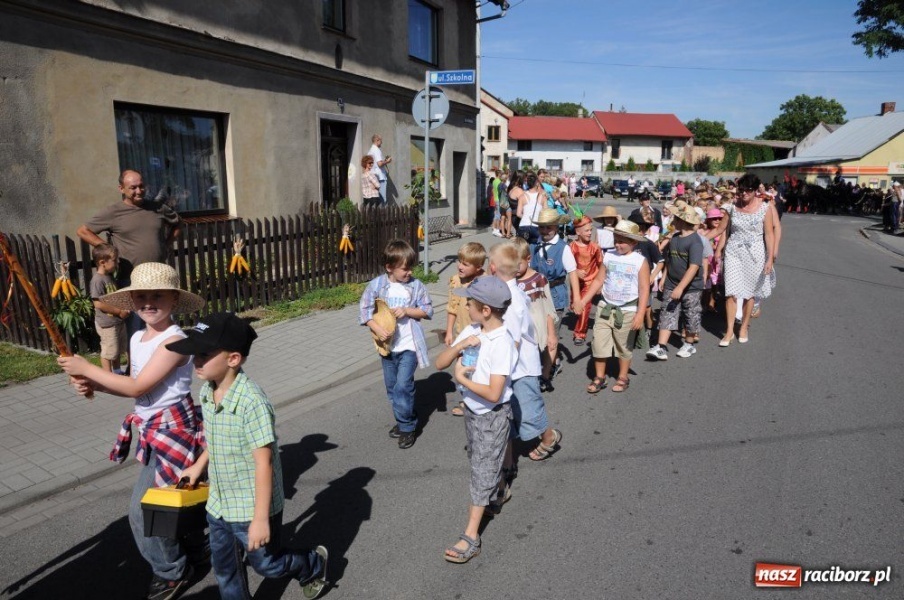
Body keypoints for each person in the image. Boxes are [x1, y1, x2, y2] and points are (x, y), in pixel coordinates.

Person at [57, 262, 206, 600]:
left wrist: (88, 368)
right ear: (132, 300)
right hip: (154, 428)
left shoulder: (176, 340)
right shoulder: (138, 337)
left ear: (173, 300)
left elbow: (138, 387)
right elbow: (129, 385)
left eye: (157, 296)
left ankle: (173, 571)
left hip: (175, 431)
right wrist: (94, 385)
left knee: (144, 511)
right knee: (167, 502)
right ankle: (195, 549)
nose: (148, 302)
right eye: (141, 296)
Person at [171, 313, 329, 600]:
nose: (196, 361)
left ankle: (312, 563)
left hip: (250, 506)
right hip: (219, 502)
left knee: (267, 564)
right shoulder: (208, 391)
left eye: (204, 354)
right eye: (195, 354)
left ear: (233, 359)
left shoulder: (252, 402)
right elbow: (217, 440)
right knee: (225, 567)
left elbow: (264, 462)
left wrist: (260, 519)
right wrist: (198, 465)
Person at [435, 276, 517, 564]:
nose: (464, 305)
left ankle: (471, 536)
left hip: (491, 415)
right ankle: (497, 489)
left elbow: (494, 393)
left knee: (481, 469)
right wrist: (460, 346)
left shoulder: (501, 343)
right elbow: (440, 362)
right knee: (480, 460)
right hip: (473, 411)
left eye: (469, 302)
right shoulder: (473, 329)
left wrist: (460, 379)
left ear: (486, 310)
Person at [489, 242, 563, 465]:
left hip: (520, 366)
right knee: (508, 410)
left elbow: (514, 341)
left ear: (493, 267)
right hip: (513, 365)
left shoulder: (510, 300)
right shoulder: (507, 291)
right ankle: (508, 461)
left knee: (528, 409)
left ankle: (549, 437)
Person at [359, 240, 434, 449]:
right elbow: (364, 312)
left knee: (403, 386)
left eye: (411, 267)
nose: (409, 272)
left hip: (409, 346)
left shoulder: (415, 286)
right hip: (386, 347)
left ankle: (408, 427)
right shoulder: (376, 285)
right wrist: (376, 327)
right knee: (392, 389)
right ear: (389, 267)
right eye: (404, 268)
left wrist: (408, 311)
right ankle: (405, 416)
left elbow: (427, 310)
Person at [574, 220, 649, 393]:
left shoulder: (639, 261)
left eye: (622, 241)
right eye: (616, 239)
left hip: (627, 310)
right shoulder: (609, 256)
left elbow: (644, 289)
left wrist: (640, 314)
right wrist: (583, 301)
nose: (618, 244)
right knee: (599, 343)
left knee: (624, 345)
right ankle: (600, 377)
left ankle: (623, 376)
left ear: (634, 242)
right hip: (605, 307)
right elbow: (599, 280)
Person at [77, 170, 181, 285]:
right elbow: (83, 231)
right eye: (133, 187)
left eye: (141, 186)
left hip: (159, 275)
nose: (139, 191)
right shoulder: (113, 212)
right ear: (121, 189)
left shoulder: (157, 208)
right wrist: (108, 249)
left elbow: (178, 222)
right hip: (129, 278)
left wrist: (168, 243)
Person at [711, 173, 775, 346]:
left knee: (749, 293)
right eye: (742, 190)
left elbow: (769, 234)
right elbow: (720, 229)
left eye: (748, 190)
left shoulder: (765, 207)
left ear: (755, 191)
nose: (744, 193)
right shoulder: (732, 207)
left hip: (755, 253)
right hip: (733, 252)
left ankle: (744, 327)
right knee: (731, 292)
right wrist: (699, 236)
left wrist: (770, 259)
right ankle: (730, 330)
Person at [646, 206, 704, 360]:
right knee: (667, 312)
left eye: (676, 218)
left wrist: (680, 287)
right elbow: (670, 260)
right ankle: (661, 346)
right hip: (672, 283)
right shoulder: (675, 238)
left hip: (691, 288)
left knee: (691, 315)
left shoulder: (695, 242)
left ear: (683, 221)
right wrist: (664, 277)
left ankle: (689, 344)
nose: (672, 220)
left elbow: (694, 267)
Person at [445, 242, 487, 417]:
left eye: (465, 264)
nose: (460, 266)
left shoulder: (485, 281)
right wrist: (448, 331)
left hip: (480, 335)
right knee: (461, 367)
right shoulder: (456, 280)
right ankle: (466, 399)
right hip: (461, 334)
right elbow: (452, 307)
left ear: (478, 267)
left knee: (478, 368)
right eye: (459, 261)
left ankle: (479, 399)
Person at [512, 237, 558, 390]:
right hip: (519, 328)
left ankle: (545, 375)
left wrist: (551, 334)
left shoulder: (539, 279)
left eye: (519, 263)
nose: (515, 268)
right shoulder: (509, 281)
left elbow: (549, 309)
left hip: (538, 325)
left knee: (546, 349)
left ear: (528, 259)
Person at [89, 243, 130, 373]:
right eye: (115, 260)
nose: (118, 262)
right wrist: (119, 311)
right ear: (102, 262)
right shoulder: (97, 280)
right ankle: (107, 375)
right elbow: (98, 304)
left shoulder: (109, 277)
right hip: (107, 323)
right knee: (109, 350)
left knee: (116, 348)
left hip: (117, 320)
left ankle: (117, 370)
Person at [568, 216, 602, 346]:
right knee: (574, 304)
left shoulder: (595, 247)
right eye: (586, 230)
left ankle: (580, 333)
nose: (589, 233)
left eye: (590, 230)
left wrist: (600, 284)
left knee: (584, 306)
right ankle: (578, 316)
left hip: (591, 282)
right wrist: (575, 271)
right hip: (576, 282)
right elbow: (568, 264)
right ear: (578, 232)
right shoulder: (572, 247)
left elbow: (601, 266)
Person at [517, 172, 545, 244]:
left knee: (523, 250)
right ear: (537, 183)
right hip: (536, 225)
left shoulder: (522, 196)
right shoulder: (542, 197)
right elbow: (546, 213)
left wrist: (526, 217)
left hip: (524, 225)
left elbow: (518, 214)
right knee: (537, 249)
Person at [367, 134, 392, 204]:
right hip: (380, 177)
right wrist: (387, 161)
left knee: (375, 199)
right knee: (382, 199)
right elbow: (380, 164)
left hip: (373, 177)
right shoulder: (376, 150)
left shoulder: (371, 150)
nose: (382, 142)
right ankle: (382, 214)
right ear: (377, 140)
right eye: (381, 140)